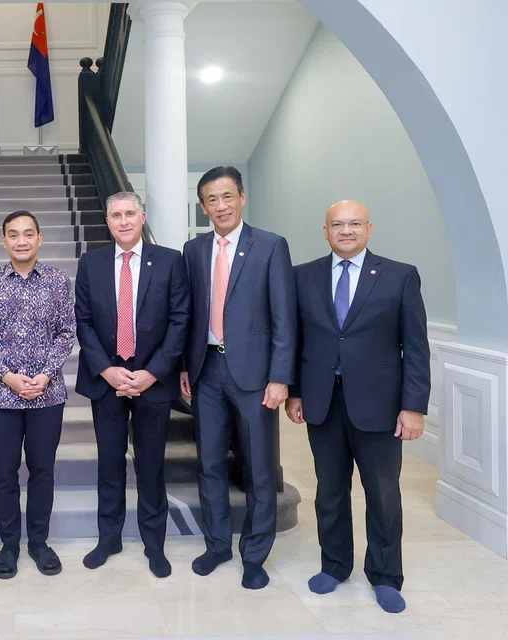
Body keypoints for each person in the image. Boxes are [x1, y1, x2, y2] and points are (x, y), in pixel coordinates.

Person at [285, 200, 429, 613]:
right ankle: (335, 565)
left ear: (369, 229)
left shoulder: (400, 276)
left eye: (354, 224)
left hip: (381, 407)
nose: (345, 231)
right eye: (337, 224)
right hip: (321, 403)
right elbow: (295, 341)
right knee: (329, 491)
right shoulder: (302, 277)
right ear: (325, 231)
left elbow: (416, 348)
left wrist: (414, 406)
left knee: (383, 494)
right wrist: (294, 392)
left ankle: (385, 575)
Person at [180, 166, 296, 590]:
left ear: (242, 197)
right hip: (206, 370)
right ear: (202, 206)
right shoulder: (193, 251)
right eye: (212, 199)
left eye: (228, 196)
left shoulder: (269, 246)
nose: (221, 205)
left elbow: (285, 317)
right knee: (209, 464)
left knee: (259, 468)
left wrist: (281, 377)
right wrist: (183, 367)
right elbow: (189, 315)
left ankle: (255, 554)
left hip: (255, 376)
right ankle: (216, 545)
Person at [75, 191, 189, 579]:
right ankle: (109, 538)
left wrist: (152, 373)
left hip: (152, 381)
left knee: (151, 464)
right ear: (107, 222)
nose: (123, 221)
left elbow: (179, 322)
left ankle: (154, 543)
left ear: (142, 217)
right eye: (115, 215)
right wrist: (106, 370)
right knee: (109, 464)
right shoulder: (91, 263)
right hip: (106, 379)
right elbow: (84, 322)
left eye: (129, 214)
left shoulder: (171, 261)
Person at [0, 210, 76, 580]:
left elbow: (67, 333)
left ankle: (39, 543)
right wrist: (10, 377)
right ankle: (9, 545)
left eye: (28, 233)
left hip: (49, 395)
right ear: (4, 241)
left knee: (42, 471)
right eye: (13, 234)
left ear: (39, 239)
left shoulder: (60, 283)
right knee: (4, 472)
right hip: (1, 397)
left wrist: (45, 375)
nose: (21, 240)